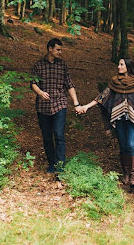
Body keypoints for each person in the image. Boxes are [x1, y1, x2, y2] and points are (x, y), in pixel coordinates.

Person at [77, 58, 134, 190]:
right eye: (119, 64)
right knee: (123, 145)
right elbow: (102, 97)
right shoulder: (115, 82)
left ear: (128, 66)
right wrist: (86, 106)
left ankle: (133, 175)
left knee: (132, 145)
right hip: (119, 118)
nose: (118, 66)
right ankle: (126, 173)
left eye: (121, 64)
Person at [31, 38, 80, 173]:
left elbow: (69, 85)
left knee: (59, 134)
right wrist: (40, 92)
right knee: (47, 137)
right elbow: (33, 83)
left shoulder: (63, 65)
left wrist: (76, 103)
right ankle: (51, 164)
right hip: (43, 106)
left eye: (61, 50)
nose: (60, 52)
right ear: (50, 49)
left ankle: (60, 166)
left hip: (60, 104)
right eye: (58, 49)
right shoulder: (38, 65)